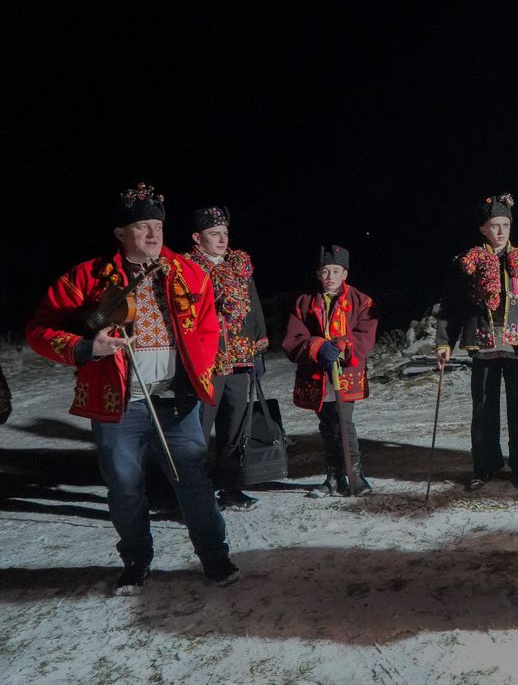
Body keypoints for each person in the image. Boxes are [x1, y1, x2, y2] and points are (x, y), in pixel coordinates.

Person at [26, 183, 238, 595]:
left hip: (177, 403)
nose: (153, 235)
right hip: (120, 405)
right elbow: (38, 330)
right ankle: (137, 560)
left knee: (193, 481)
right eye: (142, 227)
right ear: (121, 234)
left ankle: (215, 556)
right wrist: (87, 347)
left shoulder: (189, 271)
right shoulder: (87, 277)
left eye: (157, 226)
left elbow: (210, 326)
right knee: (125, 487)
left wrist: (202, 369)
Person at [436, 195, 518, 490]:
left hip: (516, 345)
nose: (501, 231)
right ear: (483, 229)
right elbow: (451, 306)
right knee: (483, 408)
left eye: (505, 225)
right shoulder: (466, 263)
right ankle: (485, 464)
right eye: (495, 226)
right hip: (483, 344)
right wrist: (444, 342)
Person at [186, 205, 268, 511]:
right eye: (213, 234)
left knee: (233, 427)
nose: (221, 240)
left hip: (239, 358)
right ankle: (196, 493)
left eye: (224, 233)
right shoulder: (188, 269)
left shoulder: (239, 266)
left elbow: (254, 306)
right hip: (207, 361)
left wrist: (258, 351)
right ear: (198, 237)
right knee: (199, 430)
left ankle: (231, 489)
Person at [283, 245, 378, 498]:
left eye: (336, 271)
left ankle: (356, 477)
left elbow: (365, 336)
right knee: (327, 424)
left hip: (345, 374)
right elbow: (294, 338)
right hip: (317, 374)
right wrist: (317, 346)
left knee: (344, 423)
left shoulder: (361, 301)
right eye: (325, 271)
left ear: (345, 274)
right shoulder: (304, 302)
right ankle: (333, 478)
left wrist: (342, 344)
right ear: (318, 274)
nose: (330, 276)